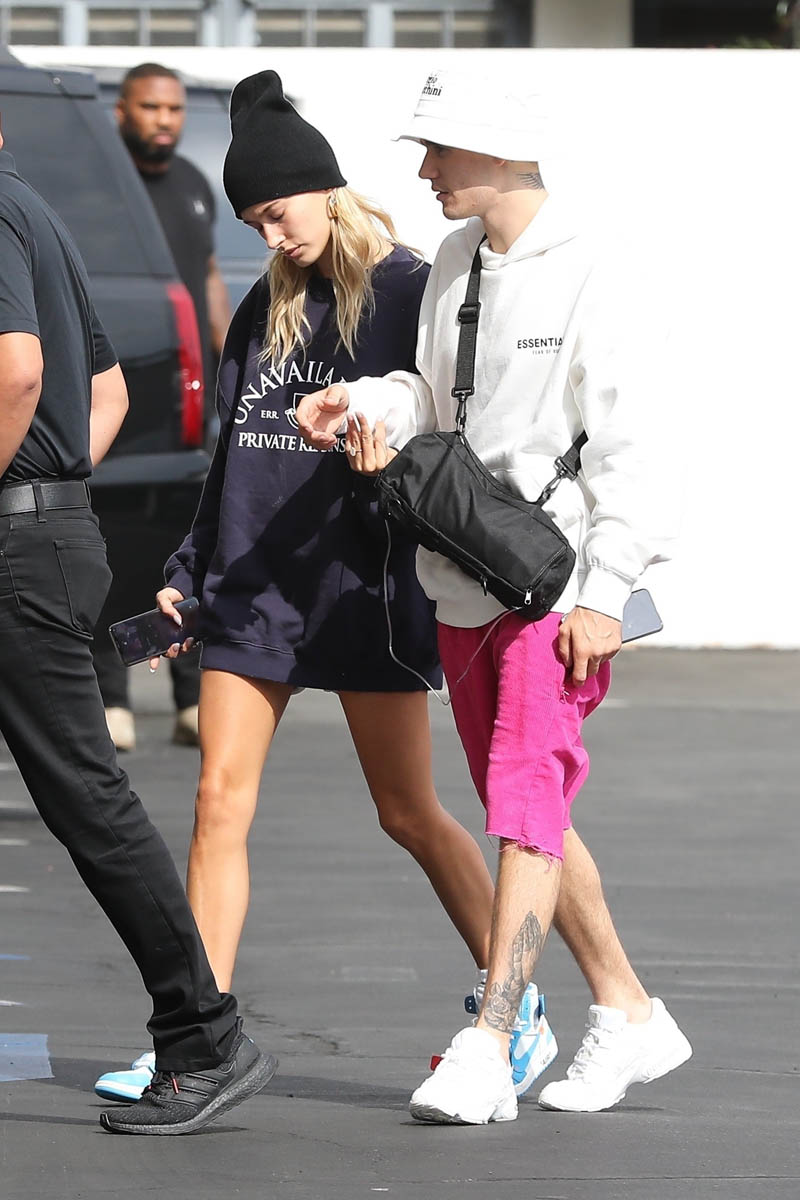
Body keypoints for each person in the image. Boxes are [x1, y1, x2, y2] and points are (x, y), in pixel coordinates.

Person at [94, 70, 556, 1106]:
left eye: (277, 211)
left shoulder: (408, 290)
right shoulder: (263, 305)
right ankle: (198, 1040)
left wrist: (386, 456)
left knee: (408, 811)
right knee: (217, 804)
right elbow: (229, 456)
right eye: (253, 221)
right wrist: (187, 572)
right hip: (251, 589)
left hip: (362, 591)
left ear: (324, 187)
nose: (270, 235)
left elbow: (450, 430)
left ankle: (515, 1004)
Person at [297, 66, 692, 1124]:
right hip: (463, 574)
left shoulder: (599, 268)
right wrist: (362, 401)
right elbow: (434, 397)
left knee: (522, 802)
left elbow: (637, 449)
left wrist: (606, 593)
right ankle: (628, 1011)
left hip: (559, 587)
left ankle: (491, 1038)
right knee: (527, 808)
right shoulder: (456, 260)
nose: (424, 168)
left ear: (503, 149)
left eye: (440, 147)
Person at [0, 116, 273, 1134]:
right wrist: (58, 487)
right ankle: (201, 1033)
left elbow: (18, 374)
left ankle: (205, 1037)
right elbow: (108, 392)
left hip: (17, 546)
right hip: (48, 529)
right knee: (84, 791)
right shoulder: (41, 213)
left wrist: (26, 496)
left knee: (86, 795)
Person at [93, 62, 232, 752]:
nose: (165, 121)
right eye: (151, 107)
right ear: (122, 111)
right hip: (123, 393)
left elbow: (207, 278)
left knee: (188, 548)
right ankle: (112, 697)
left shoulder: (194, 185)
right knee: (111, 544)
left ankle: (189, 698)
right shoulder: (102, 191)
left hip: (191, 400)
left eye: (174, 109)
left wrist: (231, 363)